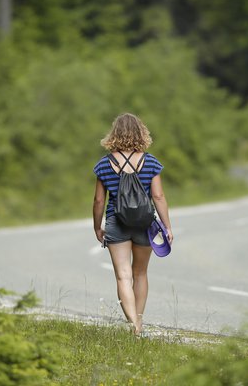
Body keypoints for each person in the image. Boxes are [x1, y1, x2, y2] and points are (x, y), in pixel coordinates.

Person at [92, 113, 174, 336]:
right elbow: (158, 197)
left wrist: (97, 226)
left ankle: (133, 325)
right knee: (140, 274)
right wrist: (166, 226)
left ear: (114, 134)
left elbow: (99, 200)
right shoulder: (150, 162)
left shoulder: (104, 164)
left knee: (123, 276)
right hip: (145, 224)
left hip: (116, 222)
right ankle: (138, 323)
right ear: (141, 133)